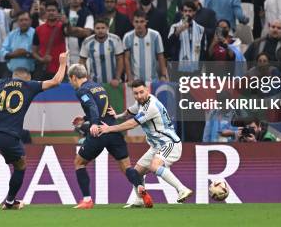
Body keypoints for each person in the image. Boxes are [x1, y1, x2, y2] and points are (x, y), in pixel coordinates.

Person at [0, 53, 67, 209]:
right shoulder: (30, 86)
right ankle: (10, 202)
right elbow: (56, 81)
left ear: (12, 76)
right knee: (20, 165)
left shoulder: (0, 83)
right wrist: (62, 62)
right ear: (27, 77)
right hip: (8, 134)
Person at [96, 79, 192, 205]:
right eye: (136, 93)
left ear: (147, 90)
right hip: (156, 146)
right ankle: (140, 199)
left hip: (169, 143)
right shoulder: (141, 102)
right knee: (136, 173)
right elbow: (130, 111)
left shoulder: (150, 106)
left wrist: (110, 129)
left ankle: (182, 189)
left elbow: (132, 124)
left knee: (154, 166)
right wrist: (117, 116)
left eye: (141, 92)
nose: (139, 96)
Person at [66, 63, 145, 209]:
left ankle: (87, 200)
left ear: (73, 77)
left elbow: (92, 107)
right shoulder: (98, 86)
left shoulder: (82, 90)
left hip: (100, 132)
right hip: (113, 130)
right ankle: (140, 187)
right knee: (126, 166)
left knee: (79, 163)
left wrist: (94, 123)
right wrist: (85, 118)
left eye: (70, 79)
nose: (70, 82)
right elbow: (101, 108)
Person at [123, 10, 168, 83]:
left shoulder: (155, 35)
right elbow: (126, 59)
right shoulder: (127, 37)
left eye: (141, 21)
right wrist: (129, 78)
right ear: (133, 22)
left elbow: (160, 56)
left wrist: (163, 75)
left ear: (146, 22)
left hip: (152, 80)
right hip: (135, 81)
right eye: (136, 22)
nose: (139, 24)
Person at [79, 18, 124, 86]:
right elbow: (82, 61)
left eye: (103, 28)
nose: (100, 30)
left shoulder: (115, 39)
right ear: (94, 29)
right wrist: (86, 78)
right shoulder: (87, 42)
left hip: (113, 83)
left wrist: (117, 78)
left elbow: (120, 59)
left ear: (107, 28)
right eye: (98, 28)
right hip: (94, 83)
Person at [2, 11, 36, 75]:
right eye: (21, 20)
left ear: (31, 21)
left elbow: (40, 53)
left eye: (26, 20)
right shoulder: (11, 34)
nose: (24, 22)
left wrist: (26, 54)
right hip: (12, 73)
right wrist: (14, 54)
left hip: (32, 74)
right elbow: (3, 51)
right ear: (17, 22)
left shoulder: (36, 34)